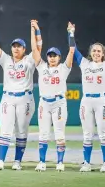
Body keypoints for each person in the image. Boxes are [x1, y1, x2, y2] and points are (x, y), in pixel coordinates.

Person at [0, 20, 37, 171]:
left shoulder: (29, 60)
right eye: (14, 46)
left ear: (24, 49)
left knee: (22, 130)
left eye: (19, 47)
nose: (16, 49)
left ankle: (17, 161)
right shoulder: (7, 60)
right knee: (5, 129)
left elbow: (37, 49)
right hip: (8, 98)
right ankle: (0, 160)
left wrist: (33, 30)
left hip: (25, 98)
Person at [74, 20, 105, 173]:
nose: (96, 53)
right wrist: (70, 33)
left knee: (103, 133)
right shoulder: (84, 64)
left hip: (102, 101)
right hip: (86, 101)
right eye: (94, 51)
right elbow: (73, 49)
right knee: (87, 134)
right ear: (90, 53)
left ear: (103, 54)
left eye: (99, 51)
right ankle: (86, 163)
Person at [31, 20, 75, 172]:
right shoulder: (42, 67)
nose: (52, 58)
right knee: (43, 133)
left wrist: (71, 33)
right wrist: (35, 30)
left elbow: (71, 51)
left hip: (59, 103)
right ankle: (42, 162)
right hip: (44, 103)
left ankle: (60, 162)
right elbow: (34, 49)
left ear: (59, 57)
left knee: (59, 133)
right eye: (50, 55)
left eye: (55, 55)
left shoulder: (64, 68)